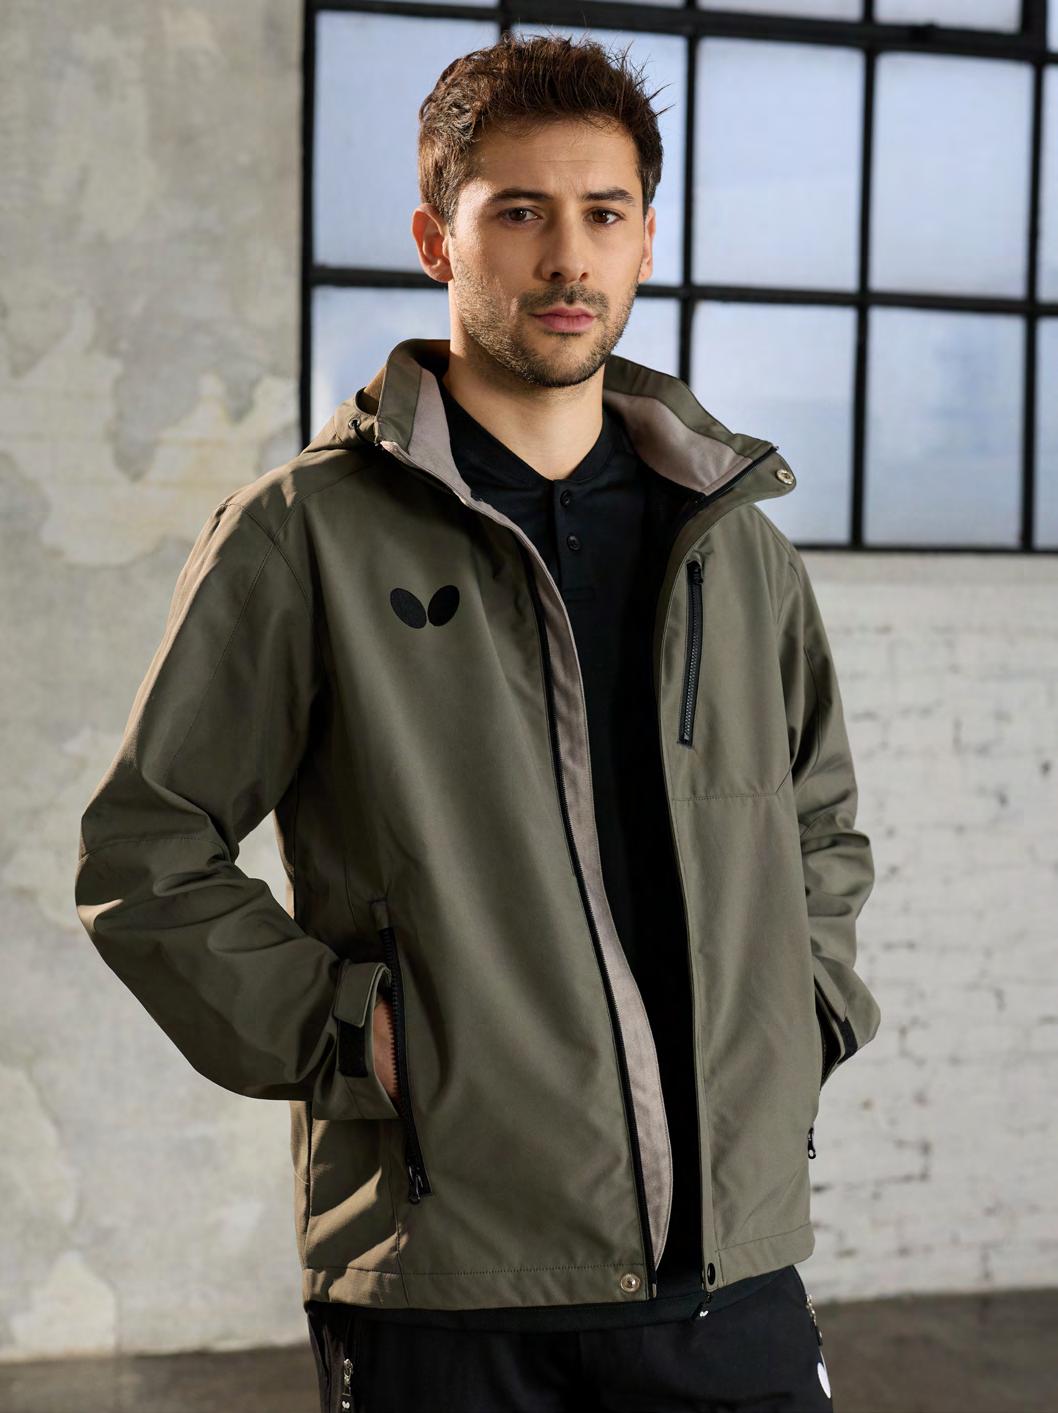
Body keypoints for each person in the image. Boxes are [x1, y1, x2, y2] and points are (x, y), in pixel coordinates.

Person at [75, 31, 880, 1413]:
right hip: (451, 1284)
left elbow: (818, 824)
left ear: (645, 242)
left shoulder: (736, 545)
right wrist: (352, 1033)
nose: (568, 257)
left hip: (731, 1273)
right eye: (518, 213)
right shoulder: (305, 535)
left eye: (604, 214)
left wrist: (801, 1018)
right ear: (434, 240)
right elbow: (146, 855)